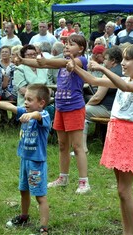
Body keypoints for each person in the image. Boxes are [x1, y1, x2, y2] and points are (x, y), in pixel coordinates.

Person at [67, 43, 133, 235]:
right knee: (120, 191)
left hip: (128, 136)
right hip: (115, 132)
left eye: (127, 59)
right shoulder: (123, 78)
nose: (123, 63)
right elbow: (94, 80)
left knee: (125, 191)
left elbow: (125, 87)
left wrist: (103, 68)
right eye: (122, 59)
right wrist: (74, 67)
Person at [16, 34, 90, 194]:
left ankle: (84, 182)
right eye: (66, 44)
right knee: (62, 145)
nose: (67, 47)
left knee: (77, 146)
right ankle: (63, 177)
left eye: (71, 44)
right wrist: (23, 61)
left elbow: (62, 63)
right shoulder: (62, 62)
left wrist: (47, 61)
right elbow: (41, 64)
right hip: (61, 107)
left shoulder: (80, 61)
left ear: (81, 48)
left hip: (75, 108)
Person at [0, 84, 51, 235]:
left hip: (36, 163)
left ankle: (43, 228)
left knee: (40, 195)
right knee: (23, 190)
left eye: (29, 100)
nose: (25, 102)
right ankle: (24, 216)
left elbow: (39, 116)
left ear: (41, 103)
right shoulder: (25, 111)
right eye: (25, 99)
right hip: (25, 160)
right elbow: (9, 106)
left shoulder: (44, 115)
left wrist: (32, 115)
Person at [83, 46, 123, 153]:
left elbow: (97, 97)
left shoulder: (109, 74)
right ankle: (97, 136)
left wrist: (86, 106)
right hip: (122, 109)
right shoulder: (124, 70)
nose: (104, 62)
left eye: (105, 59)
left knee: (81, 112)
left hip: (110, 110)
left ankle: (82, 149)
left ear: (113, 60)